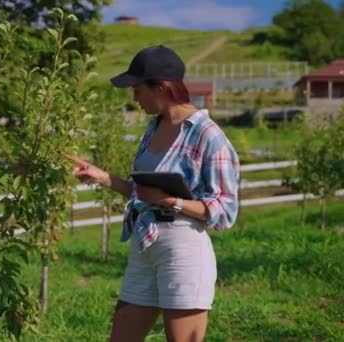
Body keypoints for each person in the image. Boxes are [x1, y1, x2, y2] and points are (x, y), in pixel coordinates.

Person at [70, 45, 240, 341]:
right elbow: (143, 193)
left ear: (161, 88)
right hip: (145, 243)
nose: (134, 99)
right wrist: (102, 177)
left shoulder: (208, 136)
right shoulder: (155, 126)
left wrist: (169, 201)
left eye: (138, 90)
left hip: (183, 248)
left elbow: (224, 210)